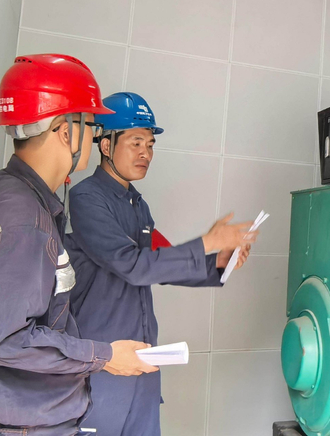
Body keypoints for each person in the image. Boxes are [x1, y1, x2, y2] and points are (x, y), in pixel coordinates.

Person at [0, 55, 159, 436]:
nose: (94, 137)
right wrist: (106, 355)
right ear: (66, 131)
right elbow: (7, 340)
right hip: (18, 427)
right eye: (91, 125)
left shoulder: (19, 198)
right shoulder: (24, 218)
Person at [65, 92, 256, 436]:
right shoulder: (87, 198)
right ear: (106, 145)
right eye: (136, 142)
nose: (146, 153)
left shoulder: (138, 205)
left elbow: (159, 261)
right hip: (104, 366)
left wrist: (216, 263)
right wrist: (207, 242)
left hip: (143, 365)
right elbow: (133, 265)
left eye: (150, 144)